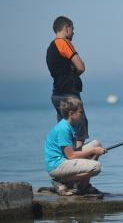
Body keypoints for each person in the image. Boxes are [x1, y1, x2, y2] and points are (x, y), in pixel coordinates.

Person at [44, 96, 106, 195]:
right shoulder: (64, 129)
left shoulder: (71, 125)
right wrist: (93, 151)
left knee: (96, 144)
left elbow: (72, 152)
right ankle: (62, 181)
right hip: (56, 165)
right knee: (96, 167)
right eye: (80, 112)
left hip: (64, 159)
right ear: (71, 114)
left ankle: (83, 186)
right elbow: (71, 155)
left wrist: (94, 149)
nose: (82, 114)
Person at [46, 16, 88, 149]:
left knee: (64, 127)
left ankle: (66, 154)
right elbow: (81, 66)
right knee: (80, 123)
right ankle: (78, 152)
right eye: (73, 29)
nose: (74, 32)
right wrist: (76, 71)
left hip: (56, 94)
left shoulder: (50, 48)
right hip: (69, 93)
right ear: (66, 28)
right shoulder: (64, 43)